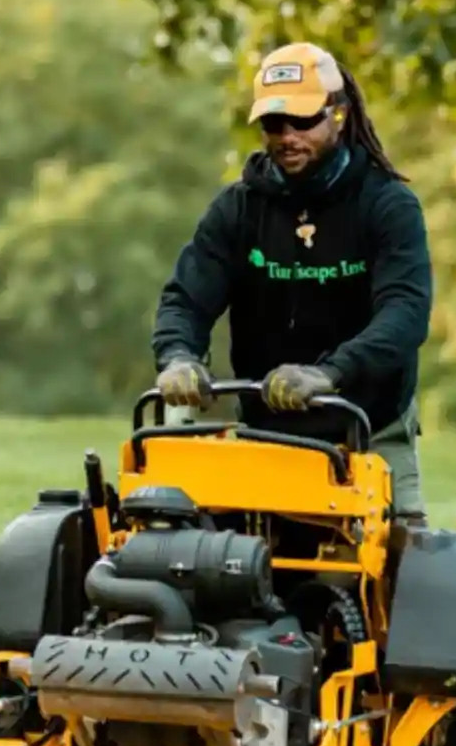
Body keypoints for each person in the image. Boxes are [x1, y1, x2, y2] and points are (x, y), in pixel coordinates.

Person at [151, 42, 433, 521]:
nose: (287, 137)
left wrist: (329, 374)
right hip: (266, 433)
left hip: (368, 430)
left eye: (303, 121)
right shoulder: (238, 210)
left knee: (408, 569)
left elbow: (405, 315)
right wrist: (178, 356)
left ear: (339, 115)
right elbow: (186, 299)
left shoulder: (388, 206)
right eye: (274, 124)